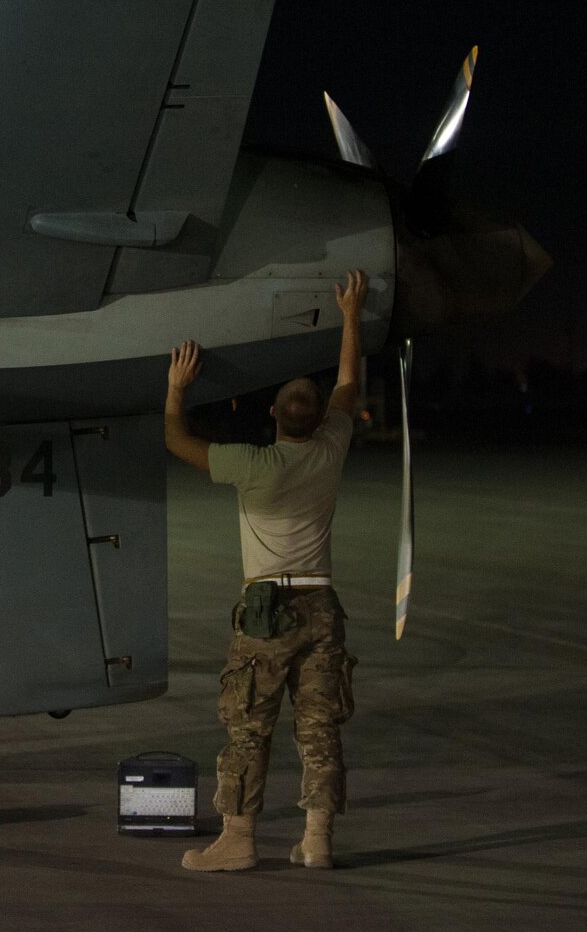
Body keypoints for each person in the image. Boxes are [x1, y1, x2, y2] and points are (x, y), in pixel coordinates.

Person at [163, 267, 368, 872]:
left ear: (274, 413)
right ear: (314, 417)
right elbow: (350, 382)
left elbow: (176, 439)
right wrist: (351, 315)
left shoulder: (252, 464)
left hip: (267, 610)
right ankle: (318, 840)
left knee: (250, 727)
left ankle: (239, 839)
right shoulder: (332, 448)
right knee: (320, 727)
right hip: (323, 606)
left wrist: (176, 387)